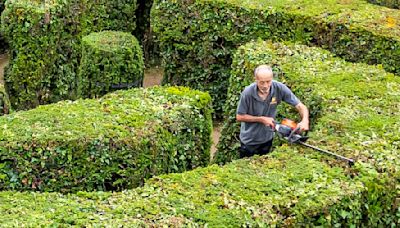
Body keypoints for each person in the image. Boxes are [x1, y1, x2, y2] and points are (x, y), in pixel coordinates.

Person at [236, 65, 309, 158]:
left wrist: (305, 120)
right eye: (262, 82)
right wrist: (261, 119)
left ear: (272, 78)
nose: (265, 85)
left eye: (268, 81)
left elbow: (300, 106)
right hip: (249, 140)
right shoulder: (248, 93)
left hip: (267, 138)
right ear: (256, 79)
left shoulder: (279, 88)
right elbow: (239, 116)